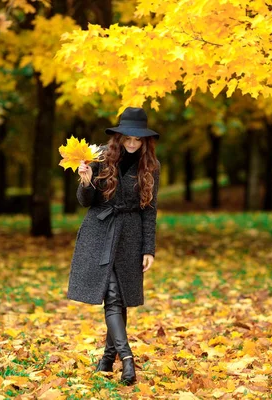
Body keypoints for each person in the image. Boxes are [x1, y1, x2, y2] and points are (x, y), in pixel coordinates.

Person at [66, 107, 161, 385]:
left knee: (118, 299)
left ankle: (108, 359)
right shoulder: (98, 157)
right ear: (118, 137)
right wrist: (85, 182)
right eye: (128, 138)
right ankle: (127, 359)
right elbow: (86, 200)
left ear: (145, 141)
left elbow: (150, 210)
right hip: (100, 231)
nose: (132, 143)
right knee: (112, 296)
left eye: (137, 139)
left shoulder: (152, 166)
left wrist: (148, 248)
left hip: (130, 236)